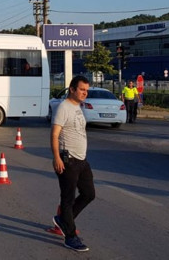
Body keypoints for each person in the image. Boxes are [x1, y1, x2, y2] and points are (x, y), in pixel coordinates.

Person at [51, 75, 95, 252]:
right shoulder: (63, 107)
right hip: (67, 160)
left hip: (82, 160)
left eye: (86, 90)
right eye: (82, 90)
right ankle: (70, 236)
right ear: (72, 89)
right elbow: (54, 134)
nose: (85, 93)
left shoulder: (78, 107)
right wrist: (56, 157)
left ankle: (64, 220)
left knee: (89, 194)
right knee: (67, 199)